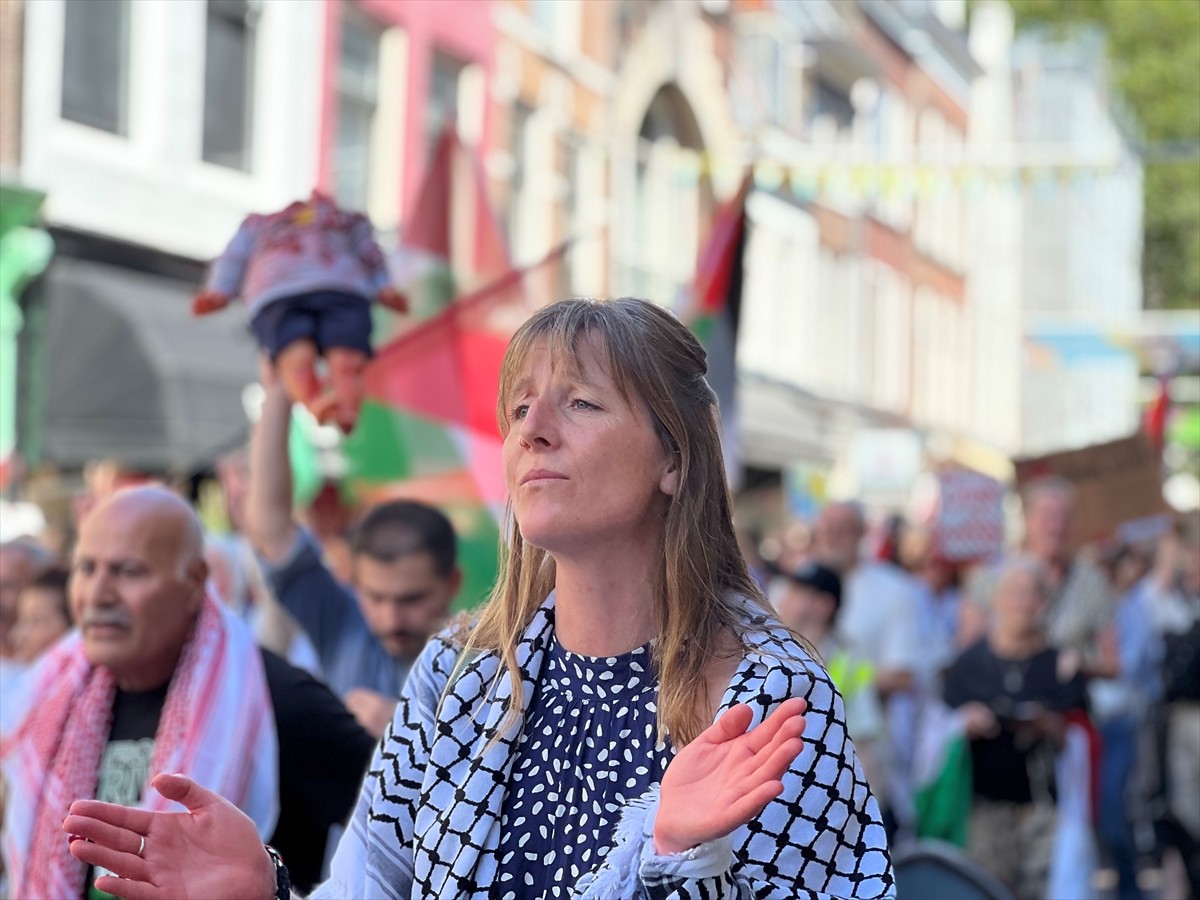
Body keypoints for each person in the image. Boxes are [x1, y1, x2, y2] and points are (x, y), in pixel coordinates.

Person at [63, 297, 894, 899]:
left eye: (581, 403)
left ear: (672, 460)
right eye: (521, 407)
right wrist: (269, 893)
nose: (533, 430)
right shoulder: (457, 676)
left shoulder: (769, 699)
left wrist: (669, 856)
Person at [1, 487, 376, 896]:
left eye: (128, 571)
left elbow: (409, 830)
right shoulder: (51, 697)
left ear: (195, 580)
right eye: (87, 568)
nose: (97, 594)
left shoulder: (275, 699)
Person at [248, 376, 462, 739]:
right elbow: (270, 530)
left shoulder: (489, 660)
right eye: (375, 597)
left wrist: (413, 727)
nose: (391, 619)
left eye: (412, 599)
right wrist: (281, 388)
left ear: (452, 583)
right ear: (354, 582)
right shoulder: (344, 625)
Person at [192, 189, 409, 431]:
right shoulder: (256, 225)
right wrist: (219, 290)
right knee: (296, 358)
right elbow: (233, 258)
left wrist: (384, 286)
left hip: (343, 289)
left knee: (346, 359)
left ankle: (347, 408)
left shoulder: (348, 221)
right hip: (278, 293)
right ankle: (316, 402)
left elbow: (370, 253)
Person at [943, 556, 1089, 900]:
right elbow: (937, 727)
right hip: (984, 806)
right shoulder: (969, 663)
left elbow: (1081, 733)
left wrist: (1050, 726)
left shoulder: (1060, 663)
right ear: (997, 599)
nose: (1022, 602)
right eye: (1014, 592)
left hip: (1044, 806)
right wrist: (965, 723)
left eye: (1032, 593)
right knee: (988, 890)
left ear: (1043, 602)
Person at [960, 476, 1118, 679]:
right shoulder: (989, 577)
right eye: (1047, 517)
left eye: (1063, 517)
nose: (1055, 526)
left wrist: (1075, 667)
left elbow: (1112, 665)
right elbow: (966, 655)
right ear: (1027, 519)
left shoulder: (1092, 582)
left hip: (1064, 701)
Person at [771, 562, 883, 793]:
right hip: (779, 784)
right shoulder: (772, 652)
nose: (784, 600)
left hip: (826, 788)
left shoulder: (850, 660)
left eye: (796, 592)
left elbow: (863, 742)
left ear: (824, 606)